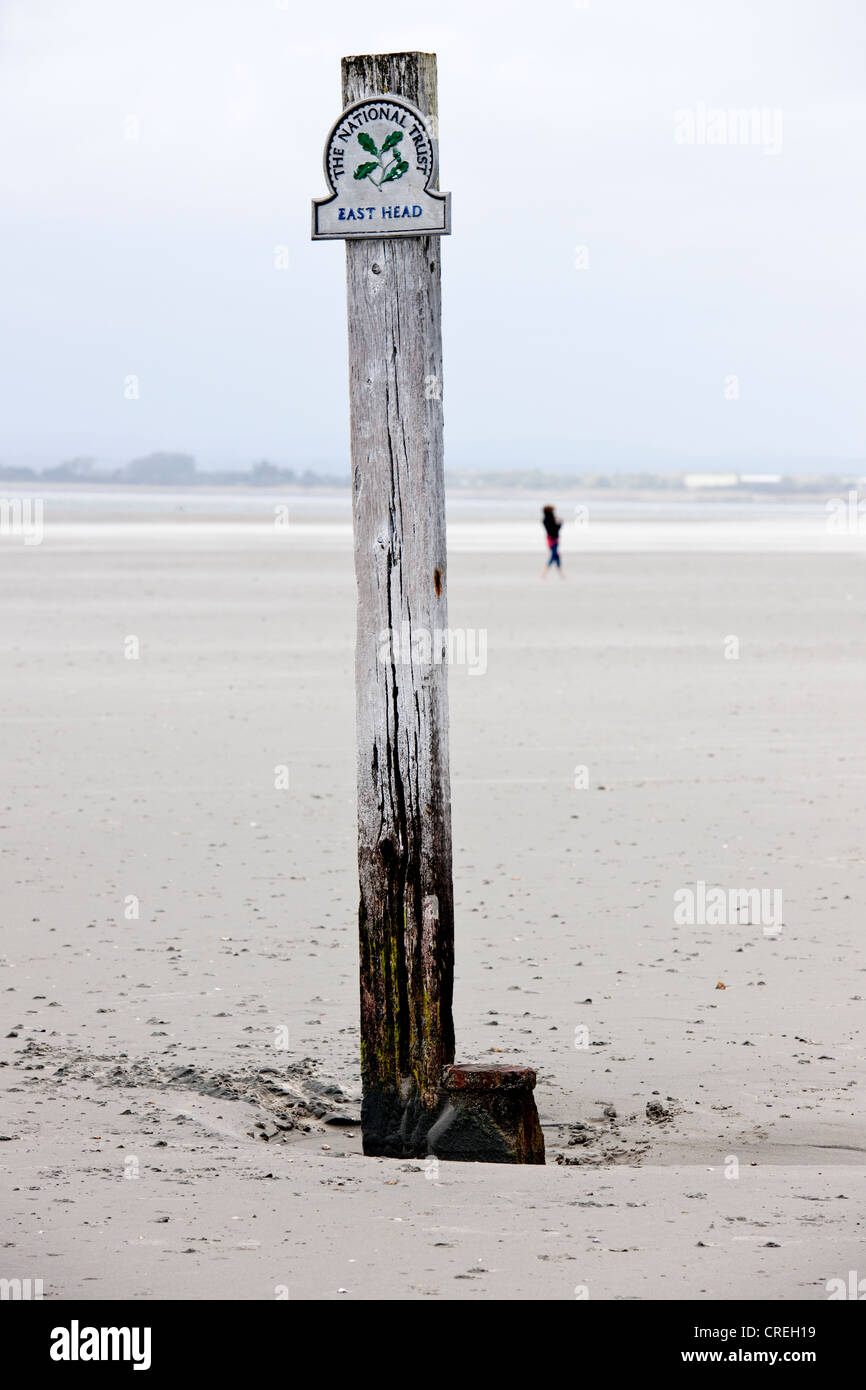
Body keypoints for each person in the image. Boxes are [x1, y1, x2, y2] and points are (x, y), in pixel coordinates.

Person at [541, 505, 564, 576]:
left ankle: (560, 573)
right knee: (554, 555)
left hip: (550, 538)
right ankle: (545, 571)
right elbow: (556, 528)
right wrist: (560, 523)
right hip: (553, 539)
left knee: (556, 555)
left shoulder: (545, 520)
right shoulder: (551, 519)